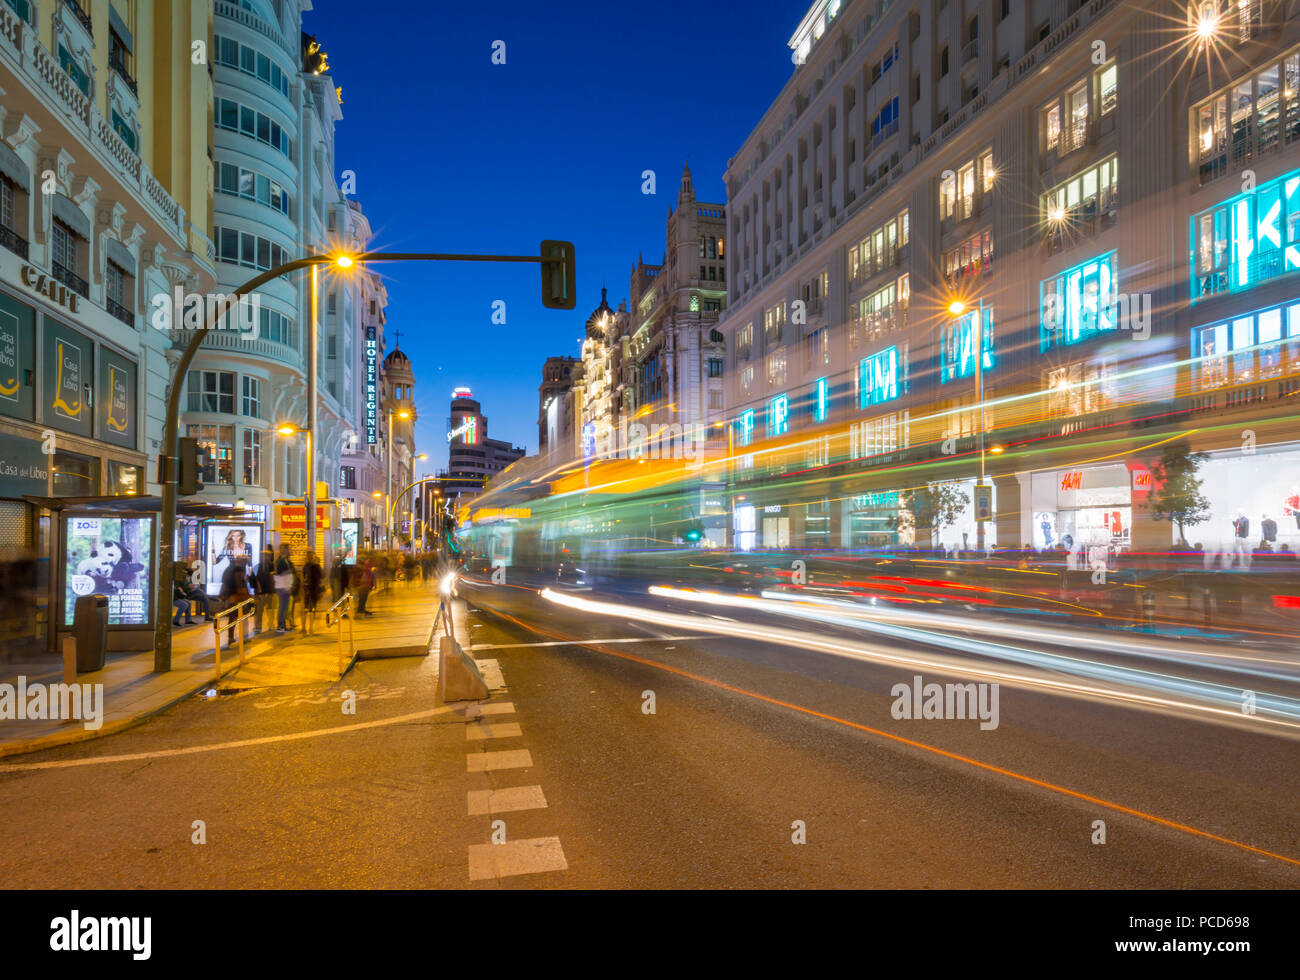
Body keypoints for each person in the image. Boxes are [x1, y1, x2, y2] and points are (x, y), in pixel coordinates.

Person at [218, 555, 252, 644]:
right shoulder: (239, 570)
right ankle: (243, 637)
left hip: (230, 596)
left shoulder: (228, 569)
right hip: (238, 596)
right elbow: (240, 584)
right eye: (245, 561)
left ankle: (231, 637)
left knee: (232, 617)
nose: (246, 563)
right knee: (243, 616)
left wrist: (223, 596)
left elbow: (224, 583)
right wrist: (248, 596)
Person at [274, 543, 296, 632]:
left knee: (284, 607)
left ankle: (282, 625)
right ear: (285, 550)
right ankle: (280, 626)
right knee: (283, 607)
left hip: (284, 586)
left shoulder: (285, 560)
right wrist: (289, 571)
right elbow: (280, 574)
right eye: (288, 549)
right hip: (283, 587)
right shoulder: (281, 561)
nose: (289, 550)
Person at [252, 549, 275, 634]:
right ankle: (258, 626)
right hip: (260, 592)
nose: (266, 557)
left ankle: (271, 624)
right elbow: (254, 579)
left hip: (269, 591)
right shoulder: (258, 566)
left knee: (270, 609)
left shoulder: (272, 566)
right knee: (259, 610)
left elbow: (274, 578)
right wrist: (256, 592)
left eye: (268, 556)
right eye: (264, 555)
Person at [301, 551, 324, 634]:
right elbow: (322, 576)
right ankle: (310, 628)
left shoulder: (306, 566)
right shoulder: (316, 566)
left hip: (307, 589)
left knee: (305, 608)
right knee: (312, 609)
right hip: (314, 589)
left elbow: (303, 577)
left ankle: (303, 628)